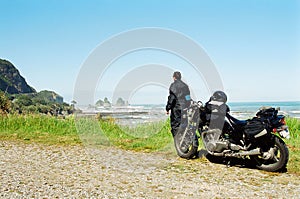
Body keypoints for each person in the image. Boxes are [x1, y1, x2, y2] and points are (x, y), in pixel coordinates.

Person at [166, 71, 191, 137]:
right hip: (184, 107)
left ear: (174, 77)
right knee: (184, 124)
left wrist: (168, 108)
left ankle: (177, 141)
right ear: (180, 77)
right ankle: (184, 140)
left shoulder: (173, 85)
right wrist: (188, 105)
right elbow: (188, 97)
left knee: (175, 125)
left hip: (176, 108)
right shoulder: (185, 86)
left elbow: (172, 98)